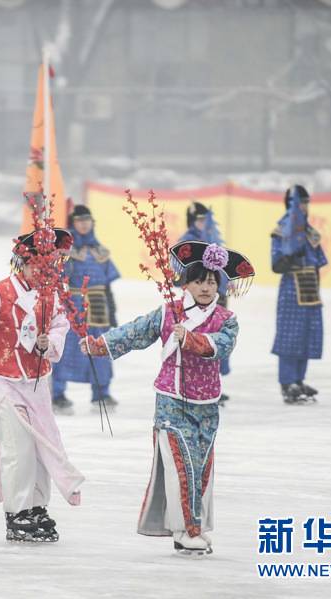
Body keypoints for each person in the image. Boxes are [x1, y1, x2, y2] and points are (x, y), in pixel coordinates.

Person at [82, 240, 253, 556]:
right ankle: (188, 530)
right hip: (171, 401)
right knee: (181, 466)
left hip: (207, 405)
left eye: (212, 281)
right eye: (199, 280)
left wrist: (190, 338)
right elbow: (136, 332)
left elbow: (223, 345)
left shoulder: (226, 318)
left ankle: (191, 527)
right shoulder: (169, 312)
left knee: (201, 468)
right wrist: (100, 345)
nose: (205, 287)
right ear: (186, 282)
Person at [0, 228, 84, 543]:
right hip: (3, 381)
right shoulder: (0, 292)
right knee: (16, 448)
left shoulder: (52, 295)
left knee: (40, 447)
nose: (42, 271)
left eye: (48, 265)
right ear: (21, 262)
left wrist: (50, 342)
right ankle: (17, 511)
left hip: (36, 383)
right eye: (36, 264)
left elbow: (61, 326)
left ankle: (36, 506)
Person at [51, 204, 120, 414]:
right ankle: (57, 393)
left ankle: (101, 392)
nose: (84, 224)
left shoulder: (101, 251)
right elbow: (57, 277)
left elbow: (107, 286)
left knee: (100, 348)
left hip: (99, 305)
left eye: (87, 220)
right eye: (79, 221)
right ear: (73, 224)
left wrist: (112, 311)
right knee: (67, 348)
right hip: (74, 304)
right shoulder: (65, 252)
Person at [270, 185, 327, 405]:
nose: (305, 207)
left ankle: (299, 379)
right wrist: (292, 257)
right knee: (290, 336)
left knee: (306, 334)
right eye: (301, 202)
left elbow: (318, 262)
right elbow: (276, 265)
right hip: (292, 286)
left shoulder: (311, 232)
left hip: (310, 287)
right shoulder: (281, 230)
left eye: (307, 202)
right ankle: (287, 382)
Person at [179, 202, 232, 405]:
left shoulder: (214, 241)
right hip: (195, 300)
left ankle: (213, 385)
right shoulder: (186, 242)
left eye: (205, 219)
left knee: (217, 340)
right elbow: (178, 274)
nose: (203, 223)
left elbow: (224, 269)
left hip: (217, 296)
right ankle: (193, 387)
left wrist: (226, 284)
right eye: (200, 219)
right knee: (197, 341)